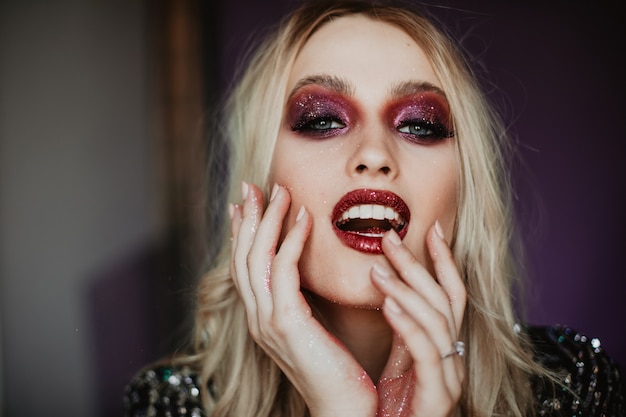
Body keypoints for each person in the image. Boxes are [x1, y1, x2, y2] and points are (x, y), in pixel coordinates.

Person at [123, 1, 624, 416]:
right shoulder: (169, 403)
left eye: (420, 125)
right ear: (264, 173)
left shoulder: (572, 386)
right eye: (321, 120)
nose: (374, 155)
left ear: (465, 184)